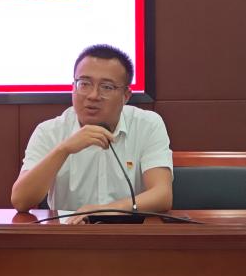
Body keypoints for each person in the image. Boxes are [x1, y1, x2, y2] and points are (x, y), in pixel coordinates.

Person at [11, 44, 172, 223]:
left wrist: (105, 211)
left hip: (130, 234)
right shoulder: (49, 132)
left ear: (126, 96)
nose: (93, 95)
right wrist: (64, 149)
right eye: (84, 84)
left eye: (107, 87)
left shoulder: (147, 125)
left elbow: (162, 195)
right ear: (73, 87)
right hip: (69, 233)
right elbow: (21, 201)